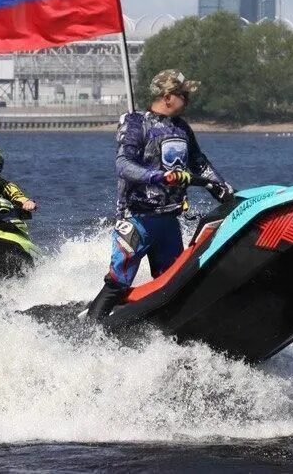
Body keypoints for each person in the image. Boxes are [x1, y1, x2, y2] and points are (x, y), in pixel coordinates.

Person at [87, 69, 234, 320]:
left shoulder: (182, 128)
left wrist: (227, 194)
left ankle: (162, 331)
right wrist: (158, 176)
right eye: (183, 95)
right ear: (168, 97)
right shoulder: (135, 123)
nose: (187, 100)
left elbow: (199, 164)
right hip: (137, 221)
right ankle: (89, 331)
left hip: (168, 223)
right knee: (118, 283)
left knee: (172, 285)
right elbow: (123, 165)